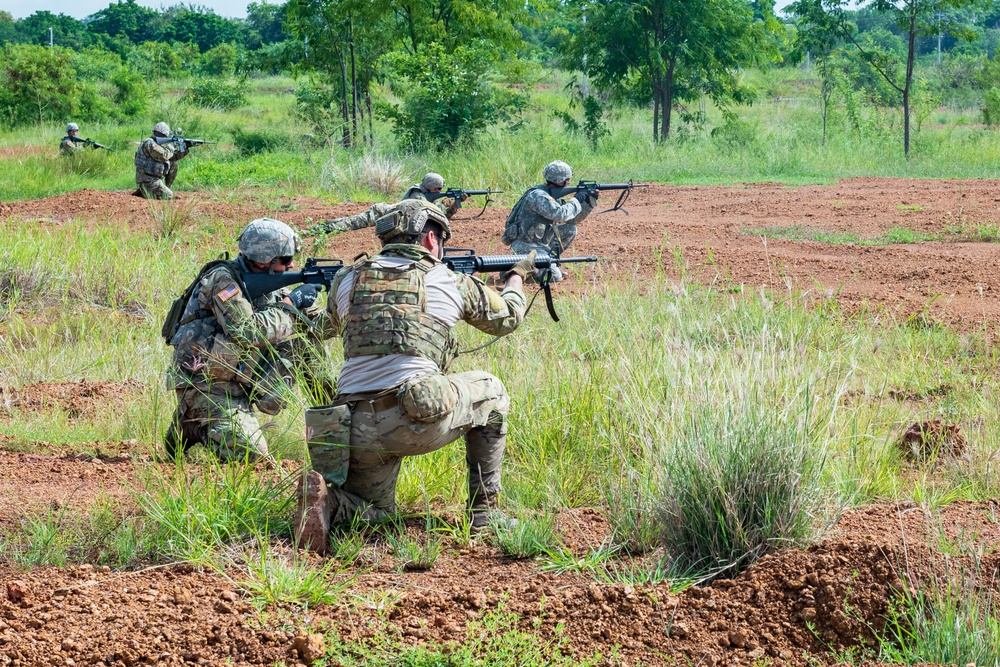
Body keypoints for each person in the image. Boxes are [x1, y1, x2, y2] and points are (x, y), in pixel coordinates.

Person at [295, 200, 536, 554]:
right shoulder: (449, 279)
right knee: (493, 391)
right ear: (428, 239)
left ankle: (330, 505)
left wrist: (298, 305)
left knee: (376, 513)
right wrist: (517, 275)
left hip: (352, 426)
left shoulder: (345, 280)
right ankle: (485, 517)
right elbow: (509, 317)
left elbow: (323, 327)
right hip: (414, 417)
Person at [164, 218, 330, 463]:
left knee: (306, 347)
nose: (292, 264)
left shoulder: (273, 284)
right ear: (265, 260)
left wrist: (346, 303)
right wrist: (291, 305)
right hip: (209, 387)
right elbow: (247, 332)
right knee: (252, 457)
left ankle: (338, 422)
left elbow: (320, 327)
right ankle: (193, 422)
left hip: (243, 379)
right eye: (286, 260)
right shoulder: (222, 281)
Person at [501, 160, 598, 282]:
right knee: (553, 276)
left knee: (570, 230)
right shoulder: (538, 196)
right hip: (526, 245)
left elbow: (572, 220)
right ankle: (515, 268)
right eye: (567, 179)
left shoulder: (550, 196)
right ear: (559, 180)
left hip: (541, 244)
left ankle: (548, 263)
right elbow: (560, 214)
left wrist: (589, 203)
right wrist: (576, 199)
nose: (569, 182)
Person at [307, 173, 462, 235]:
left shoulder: (424, 192)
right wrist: (445, 204)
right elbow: (432, 211)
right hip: (381, 213)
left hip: (387, 215)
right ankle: (319, 229)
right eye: (438, 189)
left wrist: (453, 206)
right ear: (429, 187)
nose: (439, 191)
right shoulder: (417, 195)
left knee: (349, 222)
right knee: (349, 224)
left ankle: (322, 227)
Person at [135, 122, 187, 200]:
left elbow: (172, 157)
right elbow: (164, 156)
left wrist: (185, 150)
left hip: (154, 179)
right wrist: (172, 146)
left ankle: (164, 188)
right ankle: (147, 191)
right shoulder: (149, 143)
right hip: (147, 179)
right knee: (169, 196)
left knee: (173, 164)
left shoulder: (157, 144)